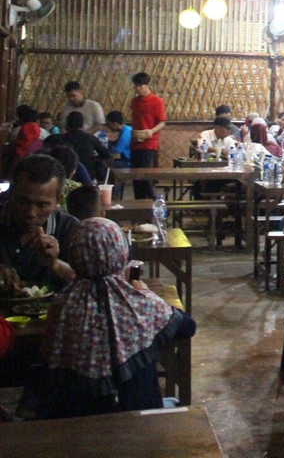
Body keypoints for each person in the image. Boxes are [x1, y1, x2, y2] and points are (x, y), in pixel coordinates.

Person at [40, 217, 196, 418]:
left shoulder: (61, 304)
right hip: (138, 416)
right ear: (120, 252)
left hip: (76, 420)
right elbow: (187, 326)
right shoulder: (138, 301)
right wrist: (146, 293)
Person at [0, 155, 77, 292]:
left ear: (59, 200)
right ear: (11, 193)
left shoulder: (70, 230)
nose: (31, 213)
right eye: (23, 202)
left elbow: (88, 283)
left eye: (42, 205)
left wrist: (55, 264)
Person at [129, 72, 166, 200]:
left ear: (147, 85)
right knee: (135, 176)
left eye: (140, 86)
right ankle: (138, 204)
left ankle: (154, 201)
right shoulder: (134, 101)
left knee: (144, 175)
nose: (138, 89)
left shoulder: (157, 101)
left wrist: (151, 131)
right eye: (136, 86)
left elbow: (162, 122)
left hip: (149, 143)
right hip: (135, 142)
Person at [55, 111, 110, 183]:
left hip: (63, 177)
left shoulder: (57, 139)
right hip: (88, 178)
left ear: (67, 124)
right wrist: (94, 158)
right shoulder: (91, 138)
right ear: (83, 124)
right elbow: (107, 156)